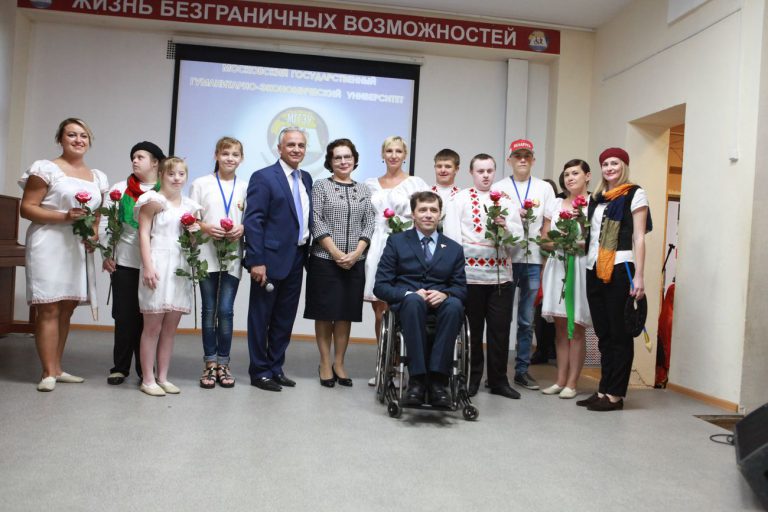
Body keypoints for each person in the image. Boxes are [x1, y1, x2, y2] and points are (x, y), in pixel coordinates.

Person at [19, 117, 108, 392]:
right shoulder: (45, 169)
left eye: (83, 135)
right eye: (71, 135)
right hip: (48, 242)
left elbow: (96, 215)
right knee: (49, 307)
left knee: (67, 307)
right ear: (60, 139)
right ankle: (47, 372)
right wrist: (64, 216)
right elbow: (27, 208)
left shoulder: (97, 177)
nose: (78, 140)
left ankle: (57, 368)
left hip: (76, 247)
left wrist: (94, 234)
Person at [374, 191, 467, 408]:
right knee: (414, 302)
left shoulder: (454, 249)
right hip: (408, 307)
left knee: (455, 305)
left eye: (433, 210)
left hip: (442, 306)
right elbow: (381, 286)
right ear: (413, 214)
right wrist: (409, 294)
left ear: (440, 214)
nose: (428, 214)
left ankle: (438, 382)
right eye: (423, 210)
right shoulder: (396, 242)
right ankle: (417, 380)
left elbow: (461, 289)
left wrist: (446, 294)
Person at [443, 154, 523, 399]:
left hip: (500, 278)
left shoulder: (505, 201)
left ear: (495, 172)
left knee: (500, 330)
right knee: (472, 331)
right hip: (470, 277)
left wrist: (505, 228)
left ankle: (498, 381)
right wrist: (456, 274)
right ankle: (471, 378)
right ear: (471, 172)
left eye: (490, 170)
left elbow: (518, 238)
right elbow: (452, 237)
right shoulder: (460, 199)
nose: (486, 175)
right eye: (480, 171)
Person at [581, 148, 651, 411]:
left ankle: (615, 395)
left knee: (619, 334)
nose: (609, 168)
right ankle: (603, 389)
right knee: (603, 334)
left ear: (624, 166)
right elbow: (591, 236)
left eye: (615, 163)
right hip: (594, 267)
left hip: (620, 268)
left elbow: (639, 237)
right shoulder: (596, 198)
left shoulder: (634, 193)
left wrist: (639, 276)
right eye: (605, 164)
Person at [243, 127, 312, 392]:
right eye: (291, 144)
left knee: (285, 318)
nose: (296, 149)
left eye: (301, 145)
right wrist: (256, 260)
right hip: (269, 260)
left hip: (297, 257)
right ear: (279, 148)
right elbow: (254, 221)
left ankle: (275, 367)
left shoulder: (306, 178)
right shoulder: (263, 177)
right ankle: (259, 371)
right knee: (261, 317)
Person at [305, 139, 375, 388]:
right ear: (330, 161)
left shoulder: (364, 189)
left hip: (355, 261)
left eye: (348, 157)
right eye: (338, 157)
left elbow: (369, 222)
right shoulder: (321, 186)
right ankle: (325, 363)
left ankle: (339, 363)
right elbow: (316, 220)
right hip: (324, 260)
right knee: (325, 314)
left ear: (355, 160)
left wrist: (356, 253)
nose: (343, 162)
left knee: (345, 315)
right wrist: (336, 253)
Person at [364, 136, 429, 385]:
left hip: (406, 247)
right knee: (380, 310)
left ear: (405, 155)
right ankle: (385, 367)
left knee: (404, 307)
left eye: (398, 151)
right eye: (389, 151)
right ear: (383, 154)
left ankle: (404, 366)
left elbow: (428, 214)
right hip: (377, 246)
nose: (393, 155)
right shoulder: (370, 184)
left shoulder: (416, 183)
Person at [135, 157, 201, 397]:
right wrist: (148, 266)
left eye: (181, 174)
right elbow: (143, 234)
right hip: (158, 262)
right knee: (152, 327)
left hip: (179, 267)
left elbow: (192, 243)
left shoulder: (190, 207)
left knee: (170, 329)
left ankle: (163, 377)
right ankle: (148, 379)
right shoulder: (153, 200)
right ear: (161, 175)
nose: (176, 178)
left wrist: (194, 234)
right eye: (171, 173)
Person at [493, 139, 555, 391]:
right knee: (501, 318)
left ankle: (521, 371)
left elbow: (548, 224)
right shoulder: (499, 187)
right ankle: (497, 372)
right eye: (517, 156)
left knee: (527, 320)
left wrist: (547, 255)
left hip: (532, 260)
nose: (522, 160)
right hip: (505, 258)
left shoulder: (544, 188)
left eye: (526, 156)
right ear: (509, 160)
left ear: (533, 160)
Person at [102, 141, 165, 386]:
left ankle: (144, 370)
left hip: (156, 263)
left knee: (148, 318)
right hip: (125, 260)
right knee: (124, 316)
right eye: (133, 157)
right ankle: (119, 368)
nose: (135, 161)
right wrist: (107, 253)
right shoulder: (120, 190)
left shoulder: (165, 190)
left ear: (155, 162)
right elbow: (105, 224)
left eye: (140, 157)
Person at [190, 137, 248, 389]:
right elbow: (190, 219)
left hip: (232, 256)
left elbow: (250, 219)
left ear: (241, 159)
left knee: (225, 311)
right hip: (206, 255)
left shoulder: (245, 186)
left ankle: (224, 363)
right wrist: (205, 227)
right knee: (208, 310)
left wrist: (242, 228)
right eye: (225, 153)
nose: (230, 158)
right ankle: (210, 363)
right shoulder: (200, 183)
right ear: (216, 155)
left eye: (235, 154)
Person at [540, 159, 593, 399]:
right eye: (567, 174)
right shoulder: (555, 203)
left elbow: (594, 241)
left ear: (587, 176)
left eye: (575, 173)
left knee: (576, 326)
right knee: (560, 328)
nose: (570, 178)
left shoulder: (594, 204)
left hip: (580, 266)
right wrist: (560, 240)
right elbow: (544, 240)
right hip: (557, 264)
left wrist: (576, 242)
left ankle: (573, 383)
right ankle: (560, 380)